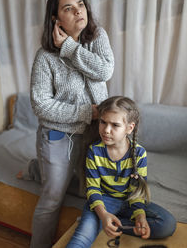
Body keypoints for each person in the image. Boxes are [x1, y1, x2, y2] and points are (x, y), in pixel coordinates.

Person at [26, 0, 114, 248]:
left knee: (90, 191)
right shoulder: (44, 57)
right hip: (59, 135)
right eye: (68, 8)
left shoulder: (97, 37)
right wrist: (90, 111)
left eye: (80, 4)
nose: (78, 11)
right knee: (52, 200)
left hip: (95, 134)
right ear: (56, 18)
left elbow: (104, 71)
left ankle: (36, 167)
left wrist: (69, 48)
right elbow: (41, 106)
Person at [66, 96, 176, 248]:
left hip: (130, 201)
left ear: (129, 128)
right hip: (103, 202)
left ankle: (108, 223)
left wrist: (140, 215)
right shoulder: (94, 151)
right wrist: (103, 214)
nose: (106, 130)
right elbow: (92, 189)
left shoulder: (139, 153)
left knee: (167, 224)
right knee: (80, 240)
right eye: (103, 122)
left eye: (115, 125)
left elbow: (137, 192)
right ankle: (101, 221)